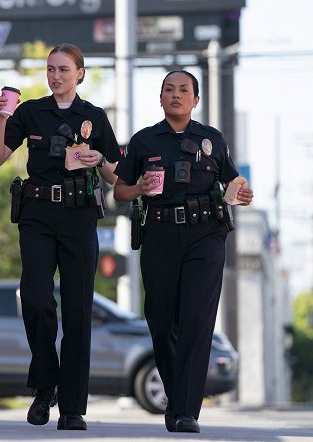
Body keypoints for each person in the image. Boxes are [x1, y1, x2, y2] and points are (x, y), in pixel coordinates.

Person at [0, 43, 121, 431]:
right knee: (35, 298)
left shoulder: (94, 117)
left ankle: (73, 408)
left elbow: (115, 175)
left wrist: (99, 160)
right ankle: (46, 385)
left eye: (63, 69)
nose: (55, 75)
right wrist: (2, 117)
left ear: (80, 73)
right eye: (50, 69)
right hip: (38, 214)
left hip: (79, 216)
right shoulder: (30, 111)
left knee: (78, 310)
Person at [112, 70, 253, 433]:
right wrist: (140, 187)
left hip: (206, 236)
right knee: (161, 322)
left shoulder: (212, 140)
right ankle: (176, 400)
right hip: (159, 234)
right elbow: (119, 192)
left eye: (184, 90)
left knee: (196, 320)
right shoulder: (144, 141)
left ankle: (187, 410)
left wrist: (244, 193)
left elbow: (232, 182)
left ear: (196, 100)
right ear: (160, 99)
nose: (176, 95)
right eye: (169, 90)